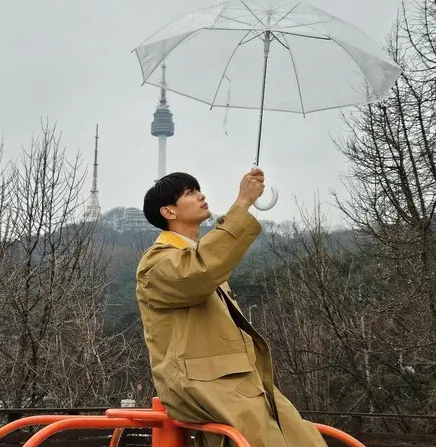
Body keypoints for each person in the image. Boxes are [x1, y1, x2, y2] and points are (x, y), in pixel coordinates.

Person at [136, 169, 327, 447]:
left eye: (198, 189)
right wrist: (242, 204)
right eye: (189, 193)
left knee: (305, 438)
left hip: (240, 383)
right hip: (204, 385)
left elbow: (206, 263)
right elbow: (199, 271)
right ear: (168, 212)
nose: (201, 195)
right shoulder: (155, 265)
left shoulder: (198, 258)